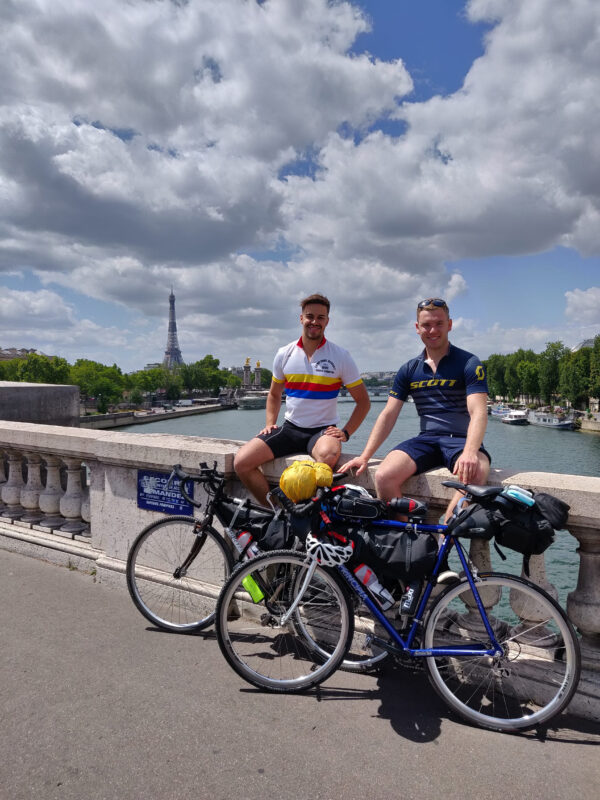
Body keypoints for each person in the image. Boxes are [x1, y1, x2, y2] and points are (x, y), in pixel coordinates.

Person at [341, 297, 490, 521]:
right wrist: (365, 456)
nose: (433, 330)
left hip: (461, 440)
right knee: (384, 476)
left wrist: (470, 451)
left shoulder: (469, 363)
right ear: (417, 328)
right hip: (427, 439)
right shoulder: (409, 369)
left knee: (476, 471)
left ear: (449, 325)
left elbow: (478, 412)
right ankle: (411, 541)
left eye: (439, 324)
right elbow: (388, 415)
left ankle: (442, 544)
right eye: (426, 325)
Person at [234, 293, 371, 506]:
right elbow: (274, 394)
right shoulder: (284, 354)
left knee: (327, 456)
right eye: (310, 316)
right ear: (301, 319)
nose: (315, 322)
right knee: (242, 462)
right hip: (290, 428)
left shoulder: (341, 356)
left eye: (320, 317)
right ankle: (276, 512)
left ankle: (307, 514)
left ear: (327, 321)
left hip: (323, 430)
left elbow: (363, 401)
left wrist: (345, 432)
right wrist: (270, 424)